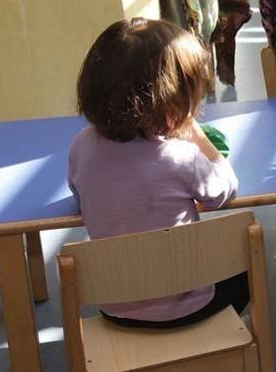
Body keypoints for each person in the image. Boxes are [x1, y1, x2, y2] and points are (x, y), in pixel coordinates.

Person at [68, 19, 243, 327]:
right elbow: (224, 192)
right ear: (176, 97)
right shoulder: (182, 157)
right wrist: (198, 136)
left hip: (116, 309)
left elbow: (79, 192)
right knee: (245, 267)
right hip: (186, 307)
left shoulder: (82, 147)